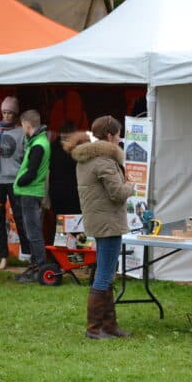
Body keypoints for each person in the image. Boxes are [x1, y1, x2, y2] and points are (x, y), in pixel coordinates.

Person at [65, 115, 134, 339]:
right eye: (118, 134)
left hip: (98, 221)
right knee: (104, 275)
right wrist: (131, 186)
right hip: (109, 223)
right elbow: (117, 194)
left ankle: (109, 326)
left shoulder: (85, 158)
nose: (120, 138)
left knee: (106, 273)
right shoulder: (104, 161)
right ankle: (95, 329)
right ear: (109, 135)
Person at [0, 97, 29, 270]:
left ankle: (27, 253)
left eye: (10, 113)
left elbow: (26, 157)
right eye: (4, 112)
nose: (7, 116)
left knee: (20, 217)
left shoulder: (22, 132)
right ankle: (3, 256)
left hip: (15, 180)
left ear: (16, 114)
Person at [12, 110, 51, 283]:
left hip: (30, 192)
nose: (22, 128)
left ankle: (40, 268)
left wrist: (20, 181)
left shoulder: (38, 145)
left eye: (22, 125)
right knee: (33, 231)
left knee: (33, 232)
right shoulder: (39, 141)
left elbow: (32, 171)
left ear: (27, 125)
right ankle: (36, 268)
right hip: (31, 192)